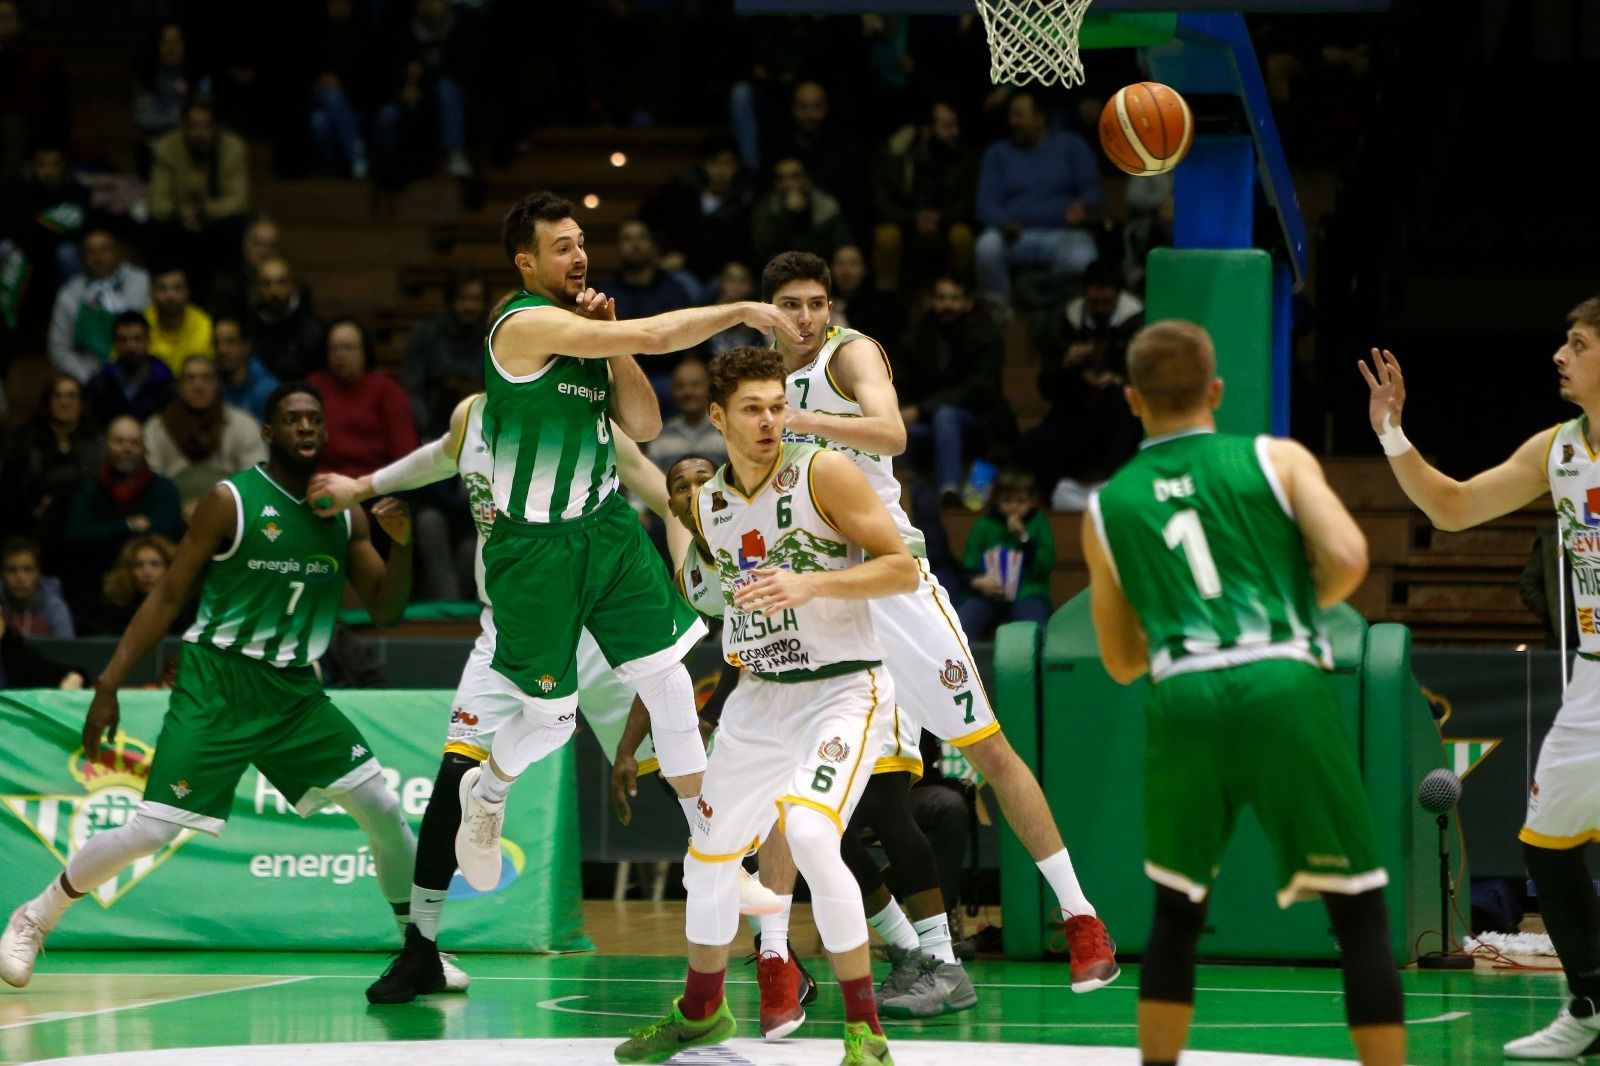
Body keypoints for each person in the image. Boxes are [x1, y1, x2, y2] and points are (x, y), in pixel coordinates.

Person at [307, 394, 779, 1004]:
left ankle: (774, 947)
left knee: (681, 748)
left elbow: (667, 497)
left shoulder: (588, 412)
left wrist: (699, 568)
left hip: (598, 617)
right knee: (460, 768)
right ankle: (420, 948)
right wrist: (362, 486)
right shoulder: (472, 413)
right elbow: (442, 458)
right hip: (514, 616)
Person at [0, 383, 460, 995]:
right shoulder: (230, 501)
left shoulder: (343, 511)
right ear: (268, 433)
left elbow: (386, 611)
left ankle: (420, 951)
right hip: (218, 680)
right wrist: (108, 682)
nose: (306, 428)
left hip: (294, 692)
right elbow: (166, 595)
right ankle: (36, 916)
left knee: (379, 807)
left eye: (315, 420)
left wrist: (399, 548)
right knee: (151, 831)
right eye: (293, 420)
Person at [758, 250, 1118, 1013]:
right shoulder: (755, 381)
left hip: (893, 581)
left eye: (817, 302)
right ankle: (787, 961)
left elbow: (889, 433)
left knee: (986, 748)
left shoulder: (847, 352)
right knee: (794, 786)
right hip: (817, 596)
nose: (806, 316)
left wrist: (803, 419)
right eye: (790, 303)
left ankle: (1082, 918)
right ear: (765, 310)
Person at [445, 191, 799, 899]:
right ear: (527, 262)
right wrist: (736, 311)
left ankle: (719, 860)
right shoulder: (521, 325)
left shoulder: (582, 331)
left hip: (606, 529)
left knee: (670, 685)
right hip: (534, 551)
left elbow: (641, 423)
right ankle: (486, 794)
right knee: (550, 721)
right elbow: (663, 335)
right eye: (562, 247)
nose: (579, 256)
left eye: (582, 242)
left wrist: (613, 344)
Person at [1083, 320, 1401, 1066]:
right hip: (1283, 674)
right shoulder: (1274, 457)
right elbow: (1352, 556)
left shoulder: (1105, 509)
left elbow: (1123, 662)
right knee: (1358, 911)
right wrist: (1289, 610)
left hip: (1183, 690)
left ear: (1132, 399)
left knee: (1176, 911)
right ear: (1215, 389)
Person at [614, 346, 912, 1066]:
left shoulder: (823, 471)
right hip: (758, 700)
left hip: (843, 691)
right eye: (752, 408)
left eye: (778, 404)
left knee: (810, 837)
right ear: (717, 417)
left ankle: (865, 1031)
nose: (771, 420)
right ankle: (701, 1012)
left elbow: (901, 566)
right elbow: (728, 597)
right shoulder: (710, 502)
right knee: (707, 865)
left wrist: (813, 587)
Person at [1358, 305, 1600, 1060]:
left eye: (1580, 344)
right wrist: (1393, 432)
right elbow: (1454, 507)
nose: (1560, 353)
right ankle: (1591, 1004)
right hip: (1591, 680)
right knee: (1546, 844)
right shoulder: (1558, 449)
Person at [974, 89, 1102, 308]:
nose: (1012, 121)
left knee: (1085, 256)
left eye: (1018, 115)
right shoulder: (997, 153)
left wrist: (1084, 206)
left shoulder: (1072, 146)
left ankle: (1065, 314)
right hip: (1015, 236)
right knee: (987, 247)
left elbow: (1094, 192)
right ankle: (999, 312)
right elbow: (985, 203)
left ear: (1040, 118)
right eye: (1011, 115)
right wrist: (1003, 223)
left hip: (1062, 234)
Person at [894, 274, 1013, 506]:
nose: (947, 305)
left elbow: (980, 389)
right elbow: (903, 383)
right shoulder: (915, 337)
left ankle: (949, 491)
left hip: (983, 425)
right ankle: (907, 499)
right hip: (929, 424)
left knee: (945, 416)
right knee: (902, 435)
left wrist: (921, 409)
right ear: (931, 301)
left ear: (968, 302)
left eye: (954, 298)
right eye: (941, 298)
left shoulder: (986, 336)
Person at [63, 415, 184, 617]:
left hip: (157, 593)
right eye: (119, 442)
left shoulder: (164, 488)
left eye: (134, 442)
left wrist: (108, 532)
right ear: (106, 445)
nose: (126, 448)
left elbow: (169, 531)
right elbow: (77, 534)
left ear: (144, 448)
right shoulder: (89, 490)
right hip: (98, 590)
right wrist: (128, 527)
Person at [143, 356, 265, 514]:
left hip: (231, 512)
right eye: (190, 379)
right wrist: (175, 510)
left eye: (206, 378)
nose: (198, 386)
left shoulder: (244, 425)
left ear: (217, 384)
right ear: (178, 386)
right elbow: (149, 482)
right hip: (172, 513)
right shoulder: (156, 428)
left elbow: (255, 480)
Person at [0, 376, 99, 557]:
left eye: (71, 396)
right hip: (30, 526)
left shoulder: (96, 442)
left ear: (82, 402)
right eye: (58, 396)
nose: (64, 402)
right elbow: (10, 491)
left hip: (82, 527)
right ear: (48, 401)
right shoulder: (24, 440)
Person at [957, 467, 1055, 638]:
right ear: (997, 500)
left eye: (1020, 502)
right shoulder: (984, 525)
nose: (1013, 507)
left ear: (1032, 501)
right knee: (963, 621)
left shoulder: (1039, 523)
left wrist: (1023, 537)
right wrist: (978, 582)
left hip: (1028, 593)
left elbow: (1044, 566)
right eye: (1007, 501)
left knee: (1032, 627)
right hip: (987, 594)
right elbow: (967, 568)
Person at [49, 229, 150, 383]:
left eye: (105, 249)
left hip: (138, 375)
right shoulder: (69, 294)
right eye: (91, 252)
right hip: (87, 378)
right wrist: (90, 380)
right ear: (82, 257)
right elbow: (58, 349)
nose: (98, 258)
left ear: (118, 251)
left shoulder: (142, 283)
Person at [403, 274, 485, 440]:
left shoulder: (495, 334)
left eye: (476, 299)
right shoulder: (427, 334)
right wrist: (424, 427)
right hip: (435, 427)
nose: (469, 306)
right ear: (451, 301)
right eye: (463, 298)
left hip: (484, 427)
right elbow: (413, 387)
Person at [84, 312, 175, 426]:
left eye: (137, 339)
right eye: (123, 340)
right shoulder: (102, 382)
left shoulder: (165, 381)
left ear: (148, 341)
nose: (130, 346)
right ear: (115, 343)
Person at [646, 356, 727, 474]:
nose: (688, 392)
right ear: (672, 391)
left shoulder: (727, 431)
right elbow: (648, 479)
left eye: (695, 385)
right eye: (680, 386)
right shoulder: (661, 434)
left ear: (709, 389)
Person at [93, 533, 178, 636]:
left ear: (169, 568)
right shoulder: (114, 609)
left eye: (155, 564)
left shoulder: (183, 607)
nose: (147, 572)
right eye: (138, 565)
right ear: (128, 570)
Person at [0, 537, 74, 638]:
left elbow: (67, 651)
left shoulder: (54, 608)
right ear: (2, 574)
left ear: (38, 573)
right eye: (12, 570)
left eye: (27, 570)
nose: (20, 578)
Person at [143, 265, 213, 370]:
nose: (170, 296)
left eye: (177, 288)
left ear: (187, 291)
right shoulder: (142, 324)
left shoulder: (204, 325)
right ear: (151, 292)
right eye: (163, 289)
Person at [212, 315, 278, 421]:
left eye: (230, 342)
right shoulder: (211, 384)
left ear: (246, 346)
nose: (222, 350)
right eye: (217, 342)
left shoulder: (267, 391)